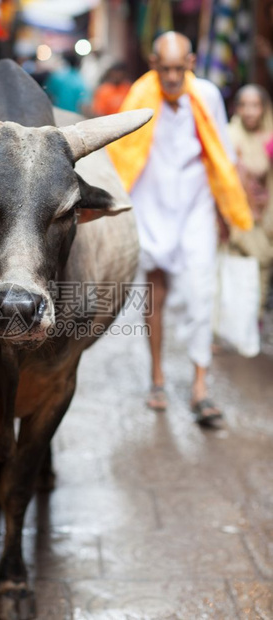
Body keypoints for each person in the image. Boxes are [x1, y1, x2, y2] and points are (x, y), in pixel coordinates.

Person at [107, 32, 253, 426]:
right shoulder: (138, 98)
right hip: (152, 207)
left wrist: (226, 213)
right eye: (164, 68)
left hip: (196, 207)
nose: (172, 76)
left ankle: (200, 387)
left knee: (201, 292)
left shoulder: (206, 97)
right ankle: (157, 376)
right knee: (154, 292)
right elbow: (121, 156)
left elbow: (220, 153)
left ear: (190, 63)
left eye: (179, 68)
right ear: (154, 64)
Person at [227, 85, 273, 317]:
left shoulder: (268, 137)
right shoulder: (230, 136)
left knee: (262, 268)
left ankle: (253, 321)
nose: (249, 111)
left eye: (255, 105)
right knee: (242, 267)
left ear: (263, 109)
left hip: (266, 217)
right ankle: (234, 323)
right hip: (239, 218)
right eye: (244, 105)